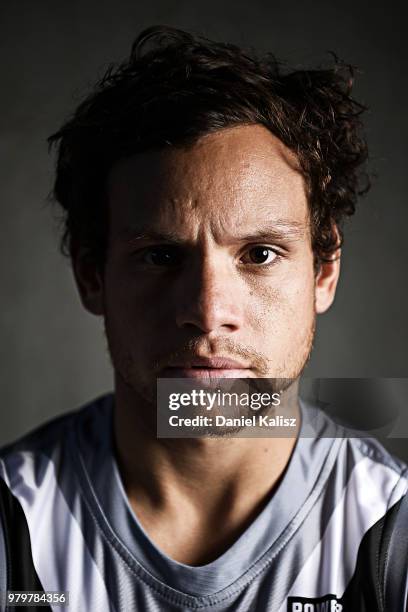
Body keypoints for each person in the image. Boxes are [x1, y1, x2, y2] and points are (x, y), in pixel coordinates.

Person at [0, 25, 406, 612]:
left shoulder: (390, 526)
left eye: (260, 254)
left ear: (324, 273)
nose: (209, 312)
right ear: (93, 276)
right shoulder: (17, 520)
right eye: (161, 256)